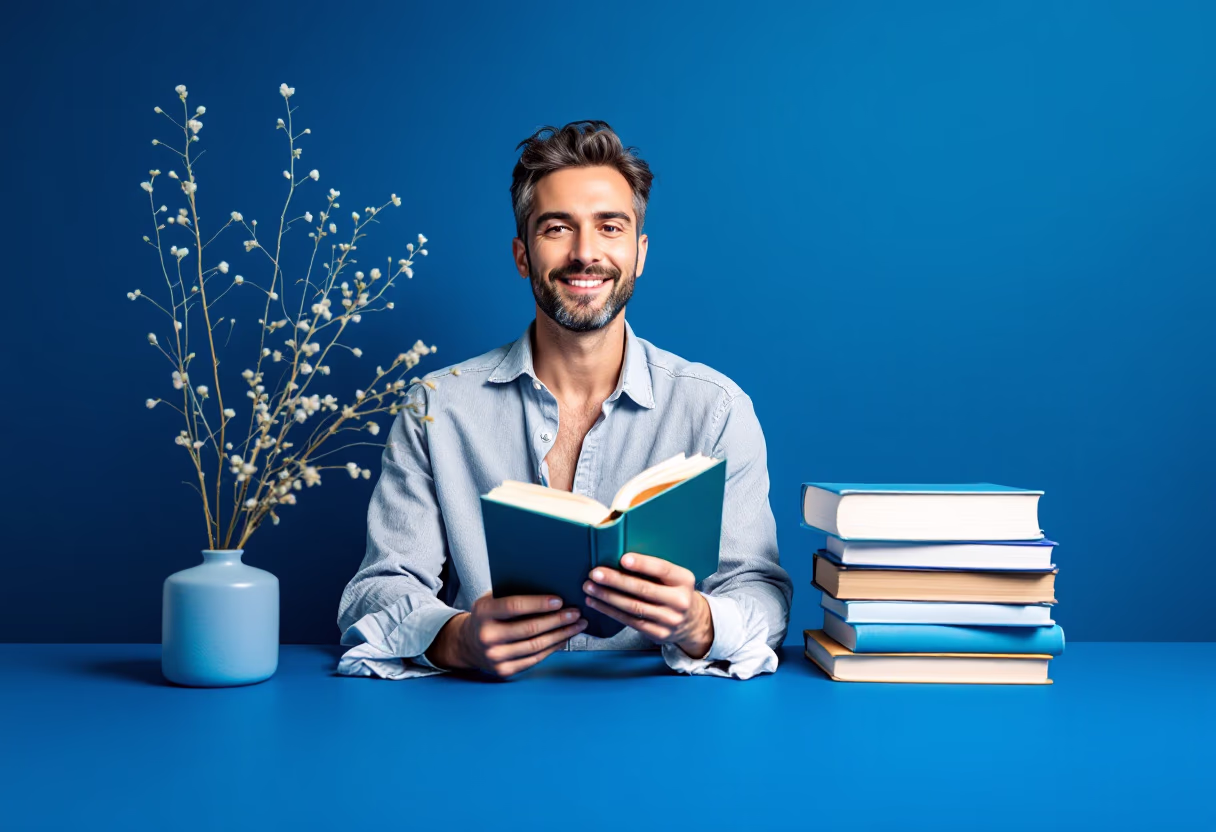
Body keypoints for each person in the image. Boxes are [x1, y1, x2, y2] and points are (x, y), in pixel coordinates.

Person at [336, 120, 792, 681]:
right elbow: (376, 590)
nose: (585, 253)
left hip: (664, 720)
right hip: (481, 723)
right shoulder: (435, 409)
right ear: (523, 254)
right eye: (557, 228)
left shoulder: (718, 411)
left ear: (639, 251)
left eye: (610, 227)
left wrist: (699, 621)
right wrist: (457, 639)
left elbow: (762, 595)